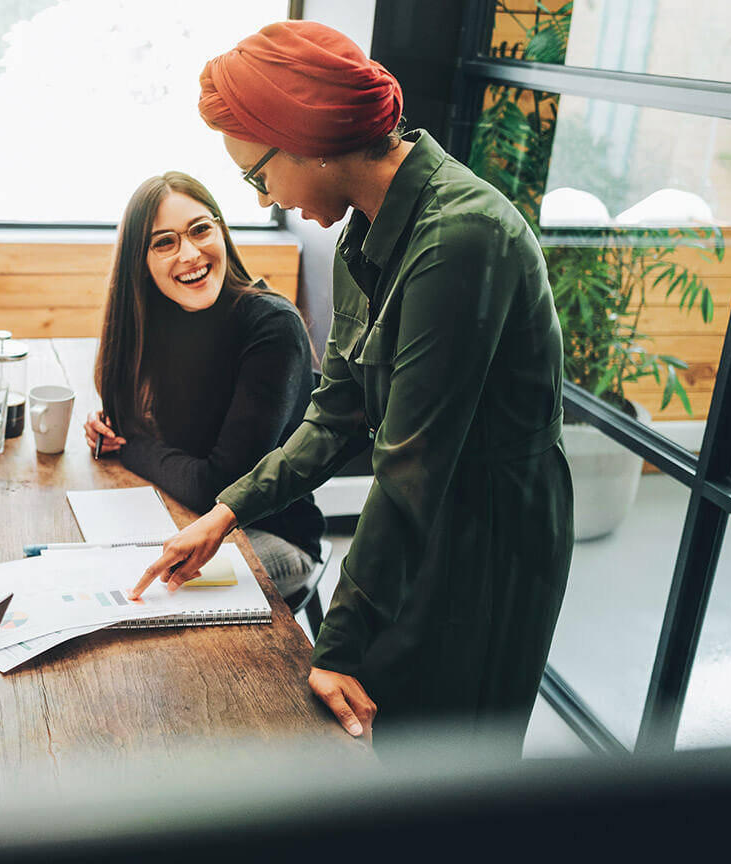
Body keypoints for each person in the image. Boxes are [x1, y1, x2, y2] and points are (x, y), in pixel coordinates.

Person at [132, 21, 573, 753]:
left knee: (448, 756)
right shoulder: (360, 232)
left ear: (309, 140)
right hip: (421, 511)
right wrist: (224, 514)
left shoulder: (460, 237)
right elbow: (335, 412)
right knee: (384, 736)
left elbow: (409, 469)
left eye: (257, 173)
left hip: (488, 532)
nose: (265, 195)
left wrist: (335, 645)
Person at [84, 171, 324, 597]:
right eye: (164, 242)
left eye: (199, 230)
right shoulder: (155, 318)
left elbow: (219, 486)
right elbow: (130, 420)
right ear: (140, 261)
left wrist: (132, 445)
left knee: (132, 587)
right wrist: (109, 427)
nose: (190, 254)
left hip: (273, 538)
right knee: (86, 567)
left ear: (221, 230)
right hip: (184, 516)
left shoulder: (271, 326)